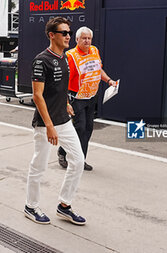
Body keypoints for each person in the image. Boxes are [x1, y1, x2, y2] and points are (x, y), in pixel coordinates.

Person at [24, 17, 86, 225]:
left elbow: (59, 87)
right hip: (45, 123)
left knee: (77, 160)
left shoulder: (65, 58)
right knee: (39, 166)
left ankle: (64, 205)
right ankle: (30, 206)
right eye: (64, 33)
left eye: (69, 32)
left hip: (64, 119)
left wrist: (66, 102)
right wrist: (49, 126)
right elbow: (37, 95)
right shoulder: (41, 60)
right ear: (52, 35)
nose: (69, 36)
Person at [57, 26, 117, 171]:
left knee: (88, 129)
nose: (87, 41)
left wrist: (109, 80)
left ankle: (80, 159)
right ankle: (66, 155)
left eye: (89, 38)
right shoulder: (70, 56)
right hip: (76, 97)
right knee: (80, 127)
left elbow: (98, 69)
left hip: (91, 96)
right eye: (84, 38)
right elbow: (63, 81)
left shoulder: (95, 51)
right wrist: (65, 102)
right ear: (77, 39)